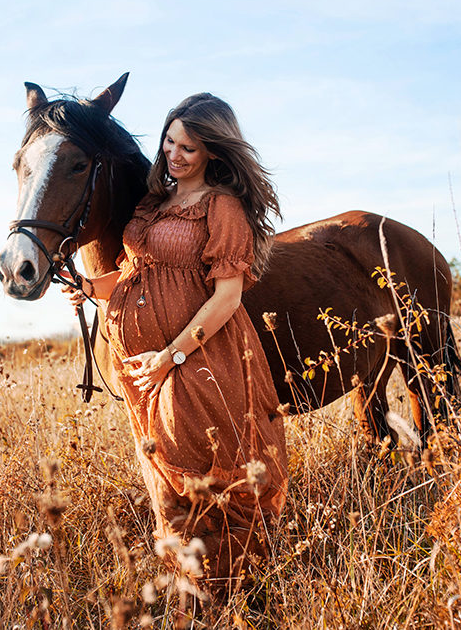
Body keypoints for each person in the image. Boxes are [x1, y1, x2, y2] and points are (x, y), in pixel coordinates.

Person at [63, 93, 288, 591]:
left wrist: (172, 355)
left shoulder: (222, 207)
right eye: (170, 140)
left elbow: (227, 297)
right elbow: (131, 274)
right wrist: (87, 287)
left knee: (212, 486)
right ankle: (196, 595)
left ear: (212, 151)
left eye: (189, 146)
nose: (175, 153)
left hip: (198, 361)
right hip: (146, 369)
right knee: (169, 491)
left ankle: (238, 596)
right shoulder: (154, 204)